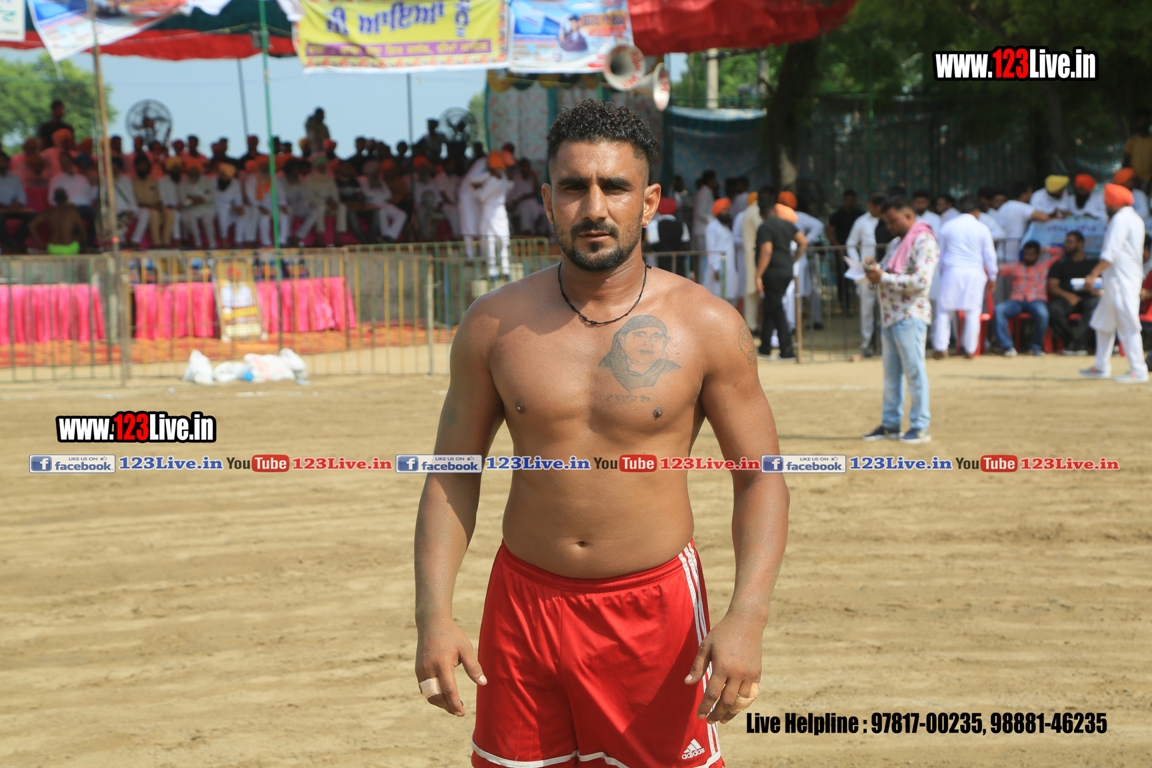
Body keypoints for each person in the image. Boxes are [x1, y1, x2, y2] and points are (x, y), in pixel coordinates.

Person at [414, 98, 788, 768]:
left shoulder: (707, 325)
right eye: (573, 187)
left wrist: (748, 617)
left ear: (649, 202)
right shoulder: (493, 324)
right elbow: (451, 474)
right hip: (523, 607)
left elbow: (761, 479)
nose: (593, 208)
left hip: (654, 614)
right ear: (546, 199)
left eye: (614, 187)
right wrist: (433, 615)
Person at [861, 198, 938, 444]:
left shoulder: (924, 241)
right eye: (887, 222)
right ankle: (891, 424)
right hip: (891, 315)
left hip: (910, 315)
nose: (890, 226)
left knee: (914, 373)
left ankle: (920, 425)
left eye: (893, 221)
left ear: (908, 216)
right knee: (892, 375)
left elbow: (921, 281)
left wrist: (882, 277)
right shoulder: (896, 243)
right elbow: (885, 272)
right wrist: (873, 271)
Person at [1077, 183, 1148, 383]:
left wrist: (1093, 275)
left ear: (1114, 203)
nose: (1105, 206)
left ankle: (1138, 370)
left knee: (1129, 324)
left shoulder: (1120, 219)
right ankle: (1100, 366)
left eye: (1107, 203)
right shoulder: (1134, 218)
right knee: (1103, 323)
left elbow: (1111, 253)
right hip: (1119, 279)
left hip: (1121, 280)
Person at [933, 196, 997, 358]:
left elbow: (940, 253)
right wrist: (992, 275)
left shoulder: (948, 226)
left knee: (944, 311)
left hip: (952, 271)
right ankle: (970, 350)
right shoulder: (982, 228)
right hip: (975, 272)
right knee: (973, 311)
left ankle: (941, 347)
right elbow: (989, 255)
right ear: (977, 212)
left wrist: (942, 273)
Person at [755, 195, 807, 359]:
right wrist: (793, 260)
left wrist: (758, 274)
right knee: (770, 306)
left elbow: (767, 251)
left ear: (761, 214)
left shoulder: (765, 227)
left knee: (776, 308)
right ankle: (765, 346)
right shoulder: (786, 223)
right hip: (786, 270)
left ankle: (787, 349)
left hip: (772, 272)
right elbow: (803, 242)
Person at [993, 241, 1054, 357]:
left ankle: (1035, 347)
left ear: (1037, 255)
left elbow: (1060, 252)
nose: (1028, 257)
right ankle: (1007, 346)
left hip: (1036, 300)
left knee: (1043, 314)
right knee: (999, 310)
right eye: (1026, 254)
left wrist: (1045, 250)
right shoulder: (1015, 266)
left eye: (1031, 254)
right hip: (1016, 300)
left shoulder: (1044, 265)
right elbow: (994, 269)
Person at [1047, 231, 1099, 355]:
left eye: (1070, 242)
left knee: (1096, 307)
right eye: (1066, 242)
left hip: (1089, 297)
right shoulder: (1060, 264)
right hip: (1066, 297)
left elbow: (1105, 282)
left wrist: (1099, 290)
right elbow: (1052, 286)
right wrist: (1066, 295)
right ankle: (1073, 343)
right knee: (1053, 309)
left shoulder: (1093, 263)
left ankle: (1077, 344)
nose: (1067, 245)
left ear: (1080, 244)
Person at [847, 193, 885, 356]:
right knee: (867, 309)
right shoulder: (861, 222)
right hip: (865, 271)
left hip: (885, 270)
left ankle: (884, 342)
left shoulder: (889, 221)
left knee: (885, 308)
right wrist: (858, 264)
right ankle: (867, 342)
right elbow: (851, 243)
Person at [477, 150, 513, 280]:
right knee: (503, 241)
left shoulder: (493, 179)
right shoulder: (503, 177)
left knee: (490, 241)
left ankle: (492, 271)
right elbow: (511, 185)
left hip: (490, 213)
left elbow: (482, 197)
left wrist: (476, 189)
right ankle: (505, 269)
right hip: (501, 212)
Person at [359, 160, 407, 242]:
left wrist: (376, 194)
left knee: (402, 214)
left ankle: (389, 236)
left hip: (384, 203)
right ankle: (385, 236)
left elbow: (388, 195)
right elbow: (367, 194)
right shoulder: (362, 179)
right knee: (382, 211)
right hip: (371, 204)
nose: (379, 172)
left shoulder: (380, 181)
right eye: (377, 170)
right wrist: (379, 194)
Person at [131, 155, 172, 248]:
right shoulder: (132, 181)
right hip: (142, 208)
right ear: (137, 167)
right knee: (154, 214)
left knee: (170, 213)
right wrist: (151, 206)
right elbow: (135, 201)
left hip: (155, 206)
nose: (143, 167)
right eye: (141, 165)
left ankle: (165, 243)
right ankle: (156, 243)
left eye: (145, 165)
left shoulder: (153, 180)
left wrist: (159, 204)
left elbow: (158, 196)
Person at [704, 198, 740, 305]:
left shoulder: (725, 227)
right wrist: (716, 268)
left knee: (729, 296)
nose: (727, 212)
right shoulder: (712, 227)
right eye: (724, 210)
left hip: (729, 267)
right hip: (718, 268)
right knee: (717, 299)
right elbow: (711, 249)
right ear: (718, 210)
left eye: (728, 210)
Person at [30, 188, 86, 254]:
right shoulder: (72, 212)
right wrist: (84, 245)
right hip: (70, 248)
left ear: (55, 199)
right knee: (76, 242)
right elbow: (82, 230)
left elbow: (31, 225)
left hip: (53, 248)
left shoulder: (49, 212)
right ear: (66, 198)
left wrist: (41, 244)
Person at [305, 154, 345, 246]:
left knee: (342, 207)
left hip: (329, 203)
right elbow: (309, 196)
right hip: (315, 204)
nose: (322, 167)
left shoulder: (330, 178)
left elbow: (334, 192)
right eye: (320, 165)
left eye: (324, 165)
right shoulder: (309, 178)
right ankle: (319, 237)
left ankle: (338, 236)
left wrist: (334, 202)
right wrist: (324, 202)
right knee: (320, 208)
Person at [111, 157, 149, 250]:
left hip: (128, 208)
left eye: (116, 169)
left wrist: (132, 210)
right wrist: (122, 212)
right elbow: (105, 201)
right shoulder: (104, 181)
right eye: (112, 169)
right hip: (114, 210)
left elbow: (131, 198)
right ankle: (122, 242)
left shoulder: (127, 180)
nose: (114, 171)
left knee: (145, 212)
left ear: (120, 169)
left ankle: (135, 241)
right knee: (112, 214)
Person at [458, 152, 491, 259]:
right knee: (468, 228)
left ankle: (483, 256)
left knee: (480, 226)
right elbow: (474, 179)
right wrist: (490, 175)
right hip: (467, 198)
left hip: (476, 198)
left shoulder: (486, 165)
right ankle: (470, 256)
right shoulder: (483, 163)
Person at [0, 151, 33, 253]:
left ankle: (16, 242)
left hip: (14, 208)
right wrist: (4, 207)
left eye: (3, 161)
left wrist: (16, 205)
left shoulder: (15, 177)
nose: (1, 163)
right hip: (1, 210)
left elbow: (22, 196)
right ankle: (6, 243)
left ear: (7, 162)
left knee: (32, 215)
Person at [738, 191, 763, 328]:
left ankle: (751, 323)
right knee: (757, 288)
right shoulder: (756, 211)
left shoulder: (747, 212)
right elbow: (762, 230)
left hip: (749, 254)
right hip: (758, 254)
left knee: (751, 290)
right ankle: (754, 324)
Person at [180, 160, 217, 249]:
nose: (193, 172)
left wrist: (192, 198)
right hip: (191, 209)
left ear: (199, 170)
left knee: (207, 220)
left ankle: (212, 244)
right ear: (188, 171)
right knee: (190, 218)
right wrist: (201, 198)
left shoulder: (207, 181)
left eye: (195, 170)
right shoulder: (183, 183)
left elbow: (209, 198)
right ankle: (198, 244)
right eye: (191, 170)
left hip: (207, 208)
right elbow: (184, 201)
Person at [214, 163, 253, 247]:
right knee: (223, 212)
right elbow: (214, 200)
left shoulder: (235, 183)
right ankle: (224, 238)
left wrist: (238, 207)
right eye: (222, 175)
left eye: (226, 176)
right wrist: (231, 206)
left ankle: (238, 240)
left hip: (230, 208)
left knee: (244, 211)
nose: (223, 178)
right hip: (216, 209)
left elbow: (238, 200)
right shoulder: (212, 181)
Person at [1122, 110, 1152, 189]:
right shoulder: (1132, 141)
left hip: (1149, 182)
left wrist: (1149, 183)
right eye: (1140, 120)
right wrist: (1128, 179)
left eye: (1145, 120)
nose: (1142, 123)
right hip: (1134, 182)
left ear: (1149, 122)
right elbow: (1126, 162)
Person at [157, 158, 184, 245]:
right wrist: (174, 207)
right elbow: (163, 199)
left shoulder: (183, 180)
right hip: (168, 208)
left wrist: (183, 205)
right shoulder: (162, 181)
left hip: (184, 207)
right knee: (175, 214)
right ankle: (177, 240)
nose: (176, 170)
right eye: (174, 168)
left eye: (177, 168)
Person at [692, 171, 718, 255]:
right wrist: (712, 220)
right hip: (703, 231)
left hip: (702, 231)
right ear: (710, 180)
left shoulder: (704, 191)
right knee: (704, 256)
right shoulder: (706, 192)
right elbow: (700, 212)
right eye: (714, 180)